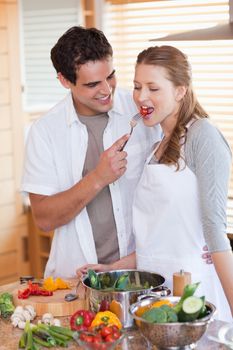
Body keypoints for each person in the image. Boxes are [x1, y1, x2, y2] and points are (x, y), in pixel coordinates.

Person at [78, 45, 233, 322]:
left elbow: (215, 232)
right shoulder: (156, 146)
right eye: (137, 87)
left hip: (195, 298)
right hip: (155, 300)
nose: (141, 97)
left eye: (153, 88)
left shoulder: (203, 137)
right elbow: (157, 241)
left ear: (180, 90)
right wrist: (111, 268)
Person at [20, 26, 161, 279]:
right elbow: (43, 219)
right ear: (65, 81)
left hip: (141, 272)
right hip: (75, 279)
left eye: (111, 76)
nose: (107, 89)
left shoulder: (141, 109)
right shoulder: (45, 132)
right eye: (93, 84)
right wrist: (98, 177)